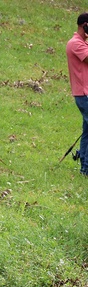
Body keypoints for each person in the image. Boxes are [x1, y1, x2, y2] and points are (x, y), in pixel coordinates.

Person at [66, 13, 88, 176]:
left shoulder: (82, 43)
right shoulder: (75, 44)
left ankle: (85, 167)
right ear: (85, 25)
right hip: (84, 94)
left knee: (87, 131)